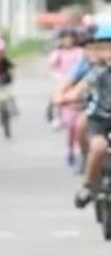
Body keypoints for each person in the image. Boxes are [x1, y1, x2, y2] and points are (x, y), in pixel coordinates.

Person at [60, 24, 111, 207]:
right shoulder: (97, 71)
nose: (107, 53)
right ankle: (88, 186)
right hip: (99, 120)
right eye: (103, 49)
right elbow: (80, 88)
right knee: (97, 146)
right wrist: (66, 98)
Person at [48, 27, 85, 165]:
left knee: (79, 125)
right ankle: (69, 148)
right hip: (64, 85)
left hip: (78, 86)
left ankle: (79, 150)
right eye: (65, 38)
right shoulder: (58, 52)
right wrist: (59, 77)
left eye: (70, 38)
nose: (67, 41)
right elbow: (52, 66)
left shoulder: (80, 52)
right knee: (70, 124)